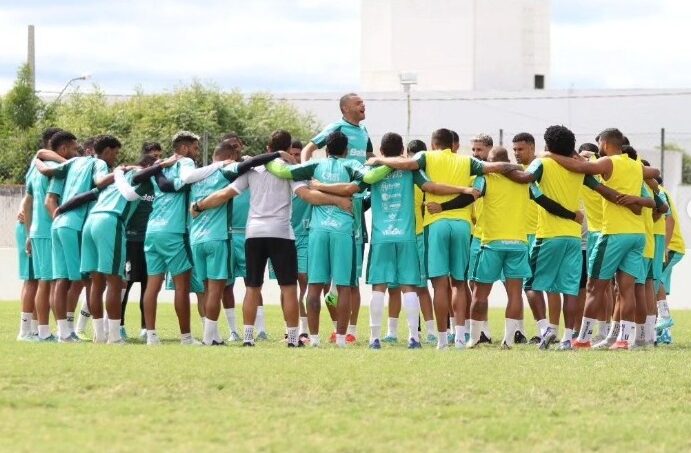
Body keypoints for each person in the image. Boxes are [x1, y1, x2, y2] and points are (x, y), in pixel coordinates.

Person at [192, 130, 353, 347]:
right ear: (288, 150)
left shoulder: (253, 170)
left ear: (268, 148)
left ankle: (248, 338)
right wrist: (338, 201)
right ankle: (293, 339)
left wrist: (199, 206)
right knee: (288, 288)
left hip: (254, 234)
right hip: (281, 234)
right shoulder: (289, 171)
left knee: (252, 288)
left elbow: (224, 194)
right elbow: (308, 196)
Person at [366, 128, 521, 349]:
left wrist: (376, 159)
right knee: (459, 283)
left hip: (435, 223)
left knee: (439, 285)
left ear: (433, 142)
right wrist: (517, 166)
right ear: (453, 145)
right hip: (462, 224)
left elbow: (405, 165)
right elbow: (494, 166)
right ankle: (460, 336)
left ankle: (441, 339)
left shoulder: (425, 157)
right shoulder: (467, 161)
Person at [541, 128, 661, 350]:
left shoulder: (608, 162)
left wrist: (550, 155)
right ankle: (624, 339)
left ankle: (584, 338)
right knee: (627, 290)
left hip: (613, 234)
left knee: (595, 286)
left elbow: (581, 168)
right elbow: (655, 170)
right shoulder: (635, 165)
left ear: (605, 143)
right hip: (637, 235)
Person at [364, 132, 476, 349]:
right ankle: (414, 338)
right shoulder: (412, 173)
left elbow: (362, 184)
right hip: (407, 235)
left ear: (382, 150)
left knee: (379, 287)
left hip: (381, 236)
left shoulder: (372, 171)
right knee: (409, 287)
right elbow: (432, 187)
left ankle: (374, 338)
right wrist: (462, 189)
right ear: (402, 151)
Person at [59, 137, 157, 344]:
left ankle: (99, 335)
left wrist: (61, 208)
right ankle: (113, 337)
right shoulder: (143, 179)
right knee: (115, 281)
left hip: (90, 223)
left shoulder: (113, 177)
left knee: (96, 282)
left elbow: (87, 195)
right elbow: (132, 194)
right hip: (110, 222)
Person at [302, 93, 374, 344]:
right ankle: (341, 333)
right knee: (342, 282)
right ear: (344, 108)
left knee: (349, 278)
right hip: (343, 217)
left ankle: (343, 332)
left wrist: (315, 184)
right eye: (358, 103)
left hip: (348, 211)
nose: (363, 105)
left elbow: (370, 160)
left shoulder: (364, 131)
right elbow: (309, 148)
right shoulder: (335, 128)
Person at [35, 134, 117, 342]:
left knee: (61, 280)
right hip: (76, 224)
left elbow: (45, 172)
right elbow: (99, 182)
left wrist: (36, 158)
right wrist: (122, 173)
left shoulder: (72, 164)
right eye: (115, 154)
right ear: (105, 151)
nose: (115, 159)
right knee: (88, 279)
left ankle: (64, 332)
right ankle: (99, 334)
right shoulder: (98, 163)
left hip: (58, 223)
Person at [141, 131, 202, 346]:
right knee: (182, 287)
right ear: (184, 149)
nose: (196, 154)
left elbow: (159, 182)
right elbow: (182, 182)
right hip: (172, 231)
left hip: (152, 230)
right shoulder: (185, 163)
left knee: (152, 284)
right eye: (195, 148)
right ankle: (186, 338)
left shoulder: (160, 166)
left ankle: (151, 336)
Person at [17, 128, 70, 341]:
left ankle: (34, 329)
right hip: (43, 230)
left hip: (33, 228)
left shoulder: (36, 168)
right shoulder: (48, 166)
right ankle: (36, 331)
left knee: (37, 281)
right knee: (40, 281)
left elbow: (27, 201)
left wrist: (29, 232)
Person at [120, 142, 163, 340]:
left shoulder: (158, 185)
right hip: (130, 240)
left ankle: (146, 327)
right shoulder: (135, 181)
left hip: (149, 241)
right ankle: (118, 325)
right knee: (125, 284)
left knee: (148, 284)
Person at [656, 183, 685, 343]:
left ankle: (664, 325)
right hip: (670, 246)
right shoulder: (662, 191)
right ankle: (664, 334)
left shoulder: (660, 192)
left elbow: (670, 219)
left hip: (670, 247)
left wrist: (664, 248)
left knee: (653, 283)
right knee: (660, 289)